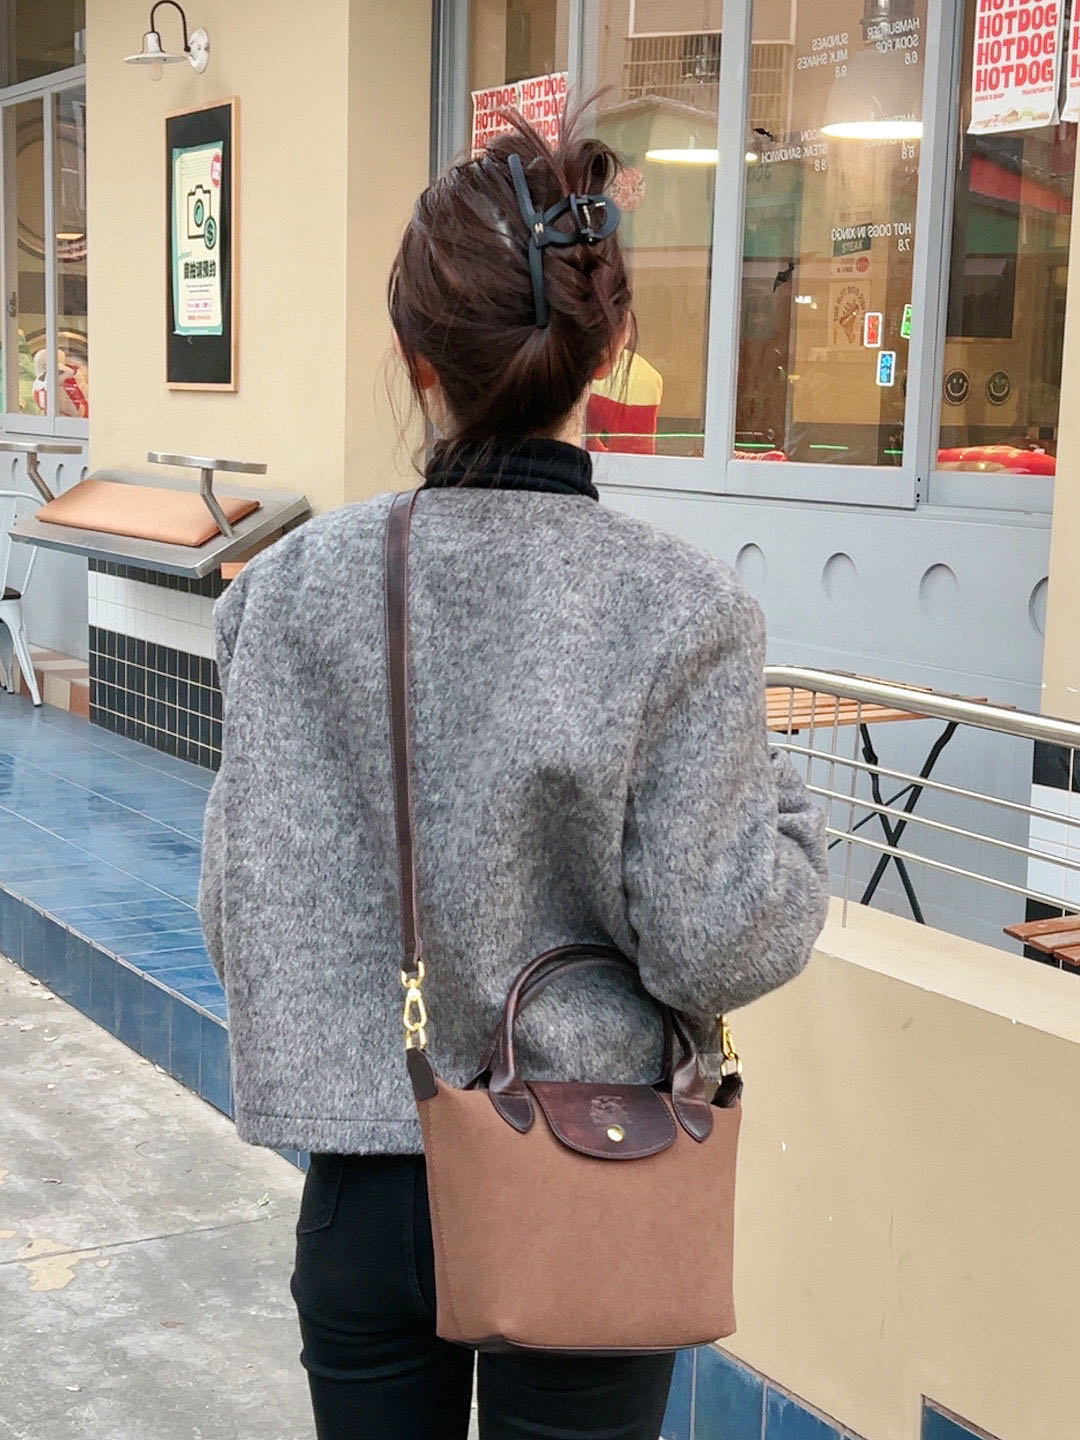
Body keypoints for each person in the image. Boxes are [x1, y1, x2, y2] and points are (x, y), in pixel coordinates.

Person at [199, 109, 828, 1440]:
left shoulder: (290, 594)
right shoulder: (684, 610)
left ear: (415, 358)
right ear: (612, 342)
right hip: (597, 1166)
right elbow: (715, 941)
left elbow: (236, 911)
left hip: (369, 1181)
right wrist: (786, 818)